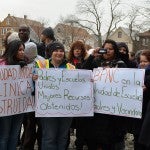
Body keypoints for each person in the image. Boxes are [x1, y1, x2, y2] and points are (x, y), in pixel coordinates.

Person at [82, 39, 126, 150]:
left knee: (109, 138)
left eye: (110, 49)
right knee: (95, 137)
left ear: (115, 50)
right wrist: (92, 55)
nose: (107, 51)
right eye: (105, 49)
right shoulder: (95, 62)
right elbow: (83, 72)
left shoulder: (120, 64)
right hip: (96, 107)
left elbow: (127, 83)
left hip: (112, 109)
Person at [34, 41, 75, 150]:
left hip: (66, 109)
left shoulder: (71, 67)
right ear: (50, 52)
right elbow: (32, 87)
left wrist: (87, 82)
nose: (59, 53)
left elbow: (77, 87)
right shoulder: (41, 65)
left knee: (63, 137)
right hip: (48, 109)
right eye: (56, 50)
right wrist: (34, 79)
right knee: (49, 137)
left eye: (61, 51)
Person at [0, 40, 28, 150]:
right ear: (13, 50)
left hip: (19, 106)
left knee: (14, 135)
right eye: (20, 50)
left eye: (23, 50)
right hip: (5, 107)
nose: (22, 52)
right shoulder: (2, 64)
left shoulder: (26, 65)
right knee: (4, 136)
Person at [18, 25, 42, 150]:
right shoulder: (15, 46)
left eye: (24, 31)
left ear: (29, 32)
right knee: (24, 122)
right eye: (20, 31)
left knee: (32, 123)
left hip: (36, 96)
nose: (22, 32)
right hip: (20, 95)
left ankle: (28, 145)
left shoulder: (37, 46)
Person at [67, 40, 89, 149]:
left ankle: (79, 143)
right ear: (72, 50)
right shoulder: (67, 62)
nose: (77, 51)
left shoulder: (86, 62)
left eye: (79, 49)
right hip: (70, 97)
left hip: (82, 97)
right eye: (75, 49)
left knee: (81, 124)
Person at [134, 50, 150, 150]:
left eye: (145, 61)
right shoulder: (136, 74)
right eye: (141, 61)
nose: (142, 63)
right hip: (138, 113)